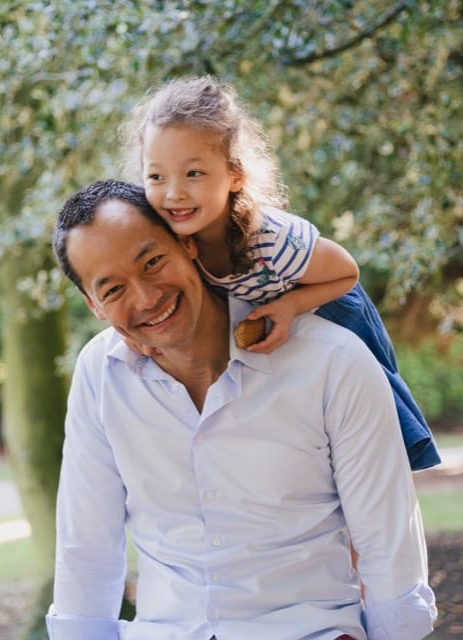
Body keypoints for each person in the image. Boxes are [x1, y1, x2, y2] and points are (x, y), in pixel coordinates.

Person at [46, 179, 437, 640]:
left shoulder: (333, 360)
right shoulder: (100, 374)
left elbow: (387, 547)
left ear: (187, 244)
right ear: (94, 305)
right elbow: (86, 549)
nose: (147, 298)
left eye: (153, 262)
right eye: (113, 290)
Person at [120, 75, 440, 471]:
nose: (174, 193)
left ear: (235, 174)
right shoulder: (172, 235)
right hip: (264, 305)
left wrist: (291, 305)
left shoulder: (269, 239)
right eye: (156, 176)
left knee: (372, 399)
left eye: (194, 174)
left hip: (327, 299)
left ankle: (398, 462)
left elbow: (346, 272)